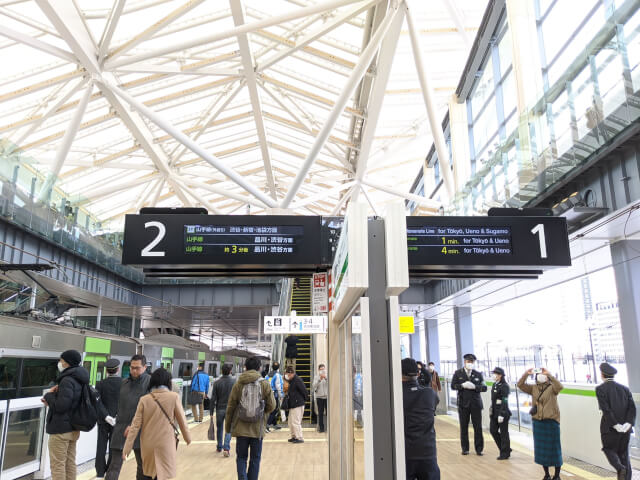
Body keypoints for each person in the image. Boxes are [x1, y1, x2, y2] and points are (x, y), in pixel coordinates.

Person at [123, 368, 191, 480]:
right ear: (168, 382)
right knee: (163, 474)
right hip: (166, 444)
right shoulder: (173, 397)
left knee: (150, 474)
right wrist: (187, 438)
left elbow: (135, 426)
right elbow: (182, 421)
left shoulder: (144, 400)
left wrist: (127, 448)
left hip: (148, 445)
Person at [41, 350, 89, 480]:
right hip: (73, 428)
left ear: (67, 363)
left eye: (61, 360)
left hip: (61, 429)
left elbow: (62, 406)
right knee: (69, 463)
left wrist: (49, 396)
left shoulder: (67, 380)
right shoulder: (80, 378)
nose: (59, 363)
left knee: (58, 465)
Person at [226, 357, 276, 480]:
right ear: (259, 368)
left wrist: (228, 427)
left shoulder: (238, 383)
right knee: (255, 459)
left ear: (245, 368)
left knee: (241, 458)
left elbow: (231, 406)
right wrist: (262, 414)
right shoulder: (264, 383)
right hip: (257, 429)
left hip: (241, 428)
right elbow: (272, 406)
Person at [105, 354, 151, 480]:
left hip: (141, 431)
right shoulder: (124, 383)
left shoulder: (150, 383)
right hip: (120, 430)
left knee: (143, 467)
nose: (134, 371)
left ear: (145, 367)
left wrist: (135, 425)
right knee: (114, 466)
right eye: (132, 367)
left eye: (137, 368)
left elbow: (150, 409)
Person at [518, 367, 564, 480]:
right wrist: (526, 374)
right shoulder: (533, 388)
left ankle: (557, 475)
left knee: (555, 449)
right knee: (542, 451)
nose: (540, 375)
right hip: (538, 422)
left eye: (542, 374)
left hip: (551, 421)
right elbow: (520, 384)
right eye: (538, 374)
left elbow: (560, 386)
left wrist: (550, 374)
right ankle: (547, 474)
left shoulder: (552, 387)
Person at [596, 362, 636, 480]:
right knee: (624, 455)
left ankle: (619, 468)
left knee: (608, 449)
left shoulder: (600, 389)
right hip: (626, 429)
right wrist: (628, 424)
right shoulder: (625, 388)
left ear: (602, 374)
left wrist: (615, 424)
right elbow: (632, 408)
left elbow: (606, 410)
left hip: (609, 428)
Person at [401, 358, 440, 480]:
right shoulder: (430, 394)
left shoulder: (396, 395)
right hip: (427, 452)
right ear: (418, 374)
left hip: (405, 453)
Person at [451, 353, 487, 456]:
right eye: (468, 361)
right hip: (463, 404)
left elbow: (484, 388)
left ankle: (479, 449)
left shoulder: (478, 374)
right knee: (464, 427)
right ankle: (465, 448)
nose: (470, 363)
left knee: (478, 427)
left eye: (472, 362)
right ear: (464, 362)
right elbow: (453, 386)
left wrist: (475, 387)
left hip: (476, 404)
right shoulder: (458, 373)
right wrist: (462, 385)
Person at [95, 359, 122, 480]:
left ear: (106, 371)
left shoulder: (100, 384)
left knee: (101, 446)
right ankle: (110, 471)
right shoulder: (124, 383)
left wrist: (106, 416)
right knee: (113, 446)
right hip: (117, 421)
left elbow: (98, 402)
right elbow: (124, 402)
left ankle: (100, 473)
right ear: (118, 369)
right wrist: (116, 416)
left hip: (103, 420)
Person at [211, 363, 235, 457]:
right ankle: (226, 448)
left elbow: (213, 398)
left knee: (219, 428)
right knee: (229, 429)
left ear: (221, 371)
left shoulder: (217, 382)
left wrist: (211, 412)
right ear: (230, 371)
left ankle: (219, 446)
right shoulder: (234, 382)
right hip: (230, 409)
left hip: (219, 408)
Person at [489, 367, 512, 460]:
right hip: (494, 412)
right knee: (493, 431)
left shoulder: (504, 386)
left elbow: (505, 400)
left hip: (503, 412)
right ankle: (505, 448)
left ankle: (505, 453)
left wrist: (502, 414)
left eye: (496, 374)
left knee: (504, 433)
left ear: (500, 375)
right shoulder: (495, 385)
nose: (494, 375)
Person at [284, 366, 308, 443]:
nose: (286, 375)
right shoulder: (291, 381)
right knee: (290, 422)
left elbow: (304, 391)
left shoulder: (297, 380)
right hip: (293, 404)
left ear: (291, 373)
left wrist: (302, 400)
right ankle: (294, 436)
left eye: (287, 374)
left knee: (296, 422)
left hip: (298, 404)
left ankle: (299, 437)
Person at [266, 362, 284, 432]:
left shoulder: (267, 375)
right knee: (274, 410)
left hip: (268, 394)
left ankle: (274, 424)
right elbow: (279, 386)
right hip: (274, 394)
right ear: (278, 368)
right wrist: (281, 395)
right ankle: (267, 424)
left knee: (272, 409)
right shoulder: (277, 375)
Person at [313, 364, 328, 433]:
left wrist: (326, 378)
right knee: (320, 413)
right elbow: (314, 386)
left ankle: (329, 427)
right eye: (321, 369)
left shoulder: (327, 376)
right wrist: (320, 379)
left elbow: (331, 384)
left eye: (323, 369)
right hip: (319, 397)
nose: (322, 370)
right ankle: (321, 428)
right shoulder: (316, 377)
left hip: (327, 397)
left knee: (328, 413)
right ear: (319, 370)